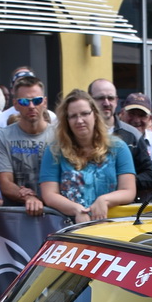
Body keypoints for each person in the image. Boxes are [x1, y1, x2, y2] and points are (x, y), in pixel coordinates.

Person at [38, 91, 136, 223]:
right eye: (73, 116)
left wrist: (104, 200)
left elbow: (128, 190)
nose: (79, 120)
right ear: (66, 120)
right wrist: (76, 209)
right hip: (69, 226)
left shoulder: (118, 147)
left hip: (113, 225)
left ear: (95, 114)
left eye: (84, 114)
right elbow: (49, 195)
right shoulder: (54, 150)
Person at [0, 74, 54, 214]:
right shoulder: (2, 137)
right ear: (15, 104)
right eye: (25, 102)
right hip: (17, 217)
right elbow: (5, 184)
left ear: (44, 102)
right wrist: (28, 197)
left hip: (56, 214)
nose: (31, 106)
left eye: (37, 101)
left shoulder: (60, 135)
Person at [88, 80, 152, 200]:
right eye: (100, 98)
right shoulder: (80, 133)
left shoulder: (132, 135)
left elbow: (149, 176)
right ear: (89, 100)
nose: (106, 103)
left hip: (122, 210)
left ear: (116, 101)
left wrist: (123, 182)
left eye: (110, 98)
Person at [120, 94, 152, 197]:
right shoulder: (113, 141)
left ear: (150, 118)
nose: (136, 120)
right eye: (131, 114)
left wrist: (124, 184)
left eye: (142, 115)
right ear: (122, 114)